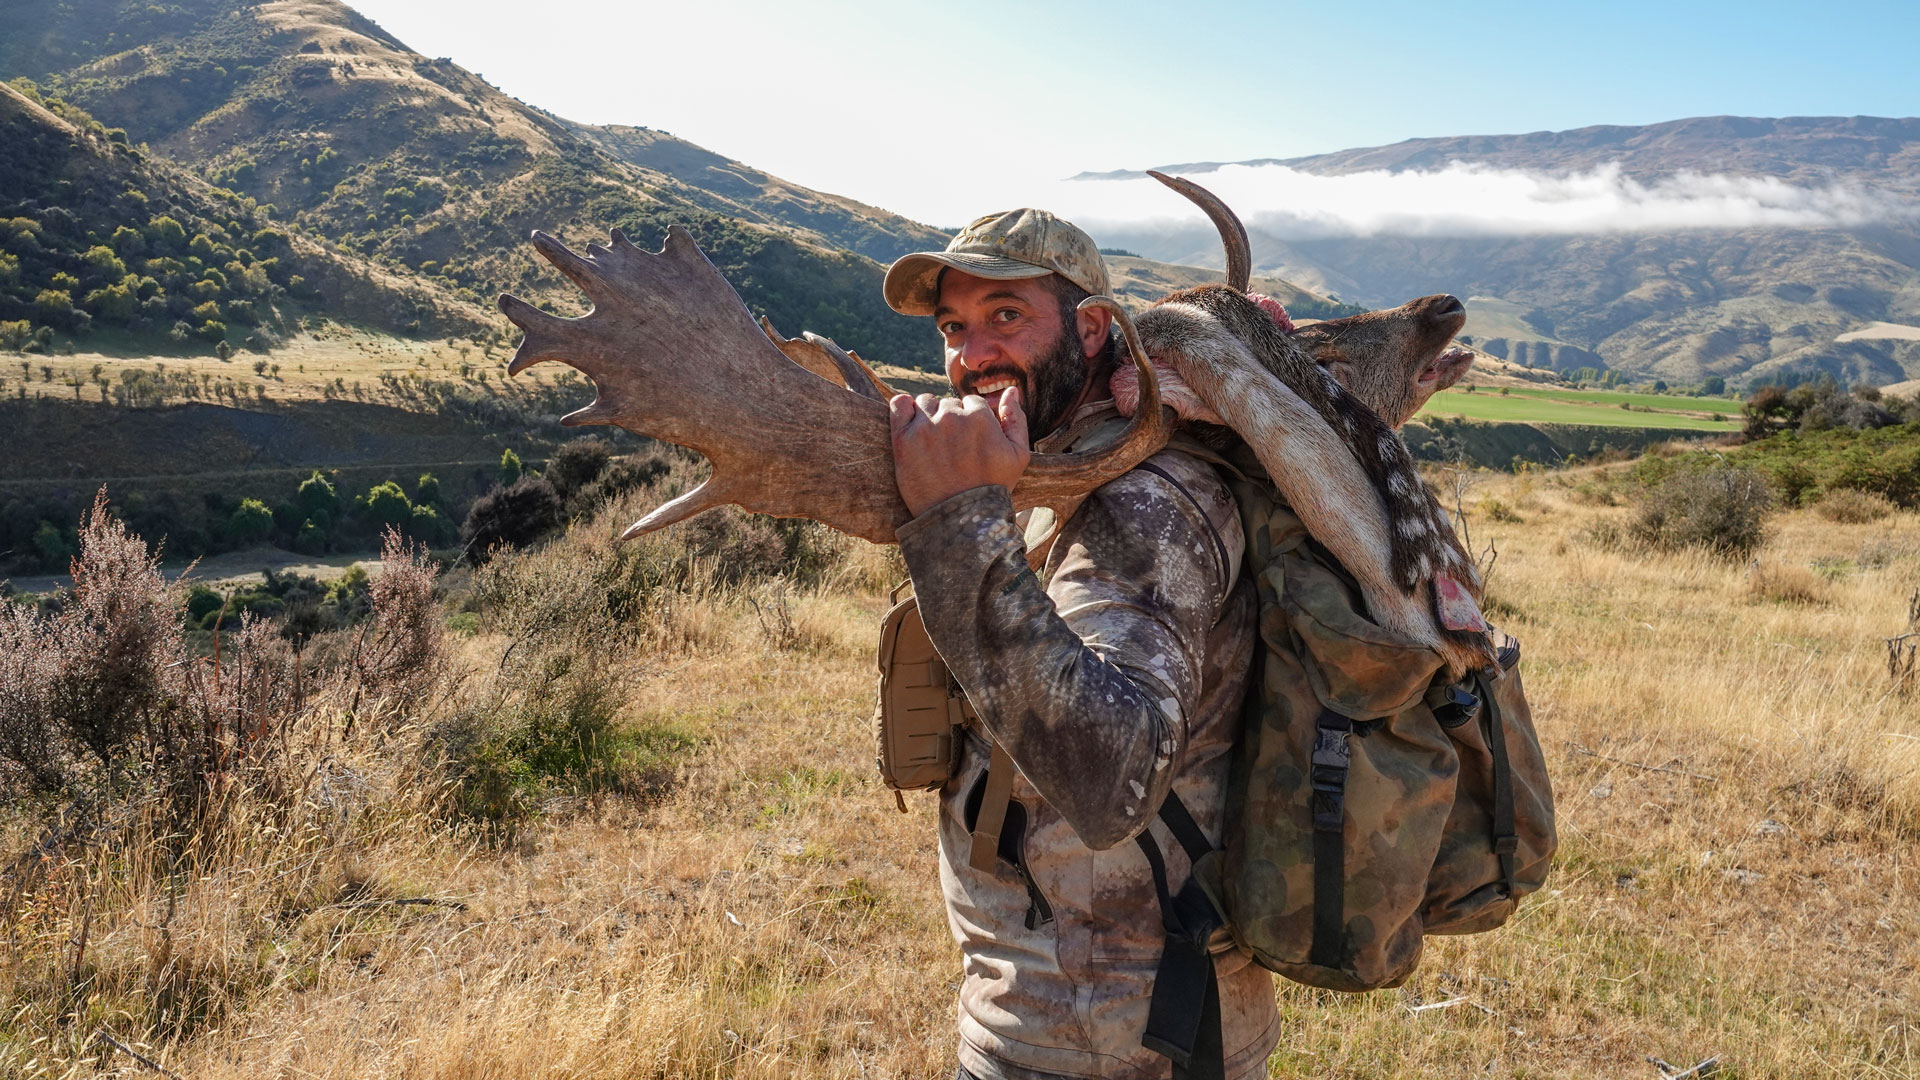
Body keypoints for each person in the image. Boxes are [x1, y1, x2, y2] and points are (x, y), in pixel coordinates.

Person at [883, 209, 1278, 1080]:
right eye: (954, 326)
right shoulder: (1061, 466)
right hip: (1066, 1006)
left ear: (1093, 328)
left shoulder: (1141, 503)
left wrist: (957, 526)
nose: (970, 353)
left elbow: (1114, 782)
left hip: (1119, 1035)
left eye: (1005, 316)